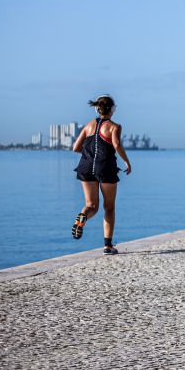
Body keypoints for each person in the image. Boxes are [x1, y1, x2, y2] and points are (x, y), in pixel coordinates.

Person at [71, 95, 132, 254]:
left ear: (98, 108)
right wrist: (127, 162)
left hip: (85, 167)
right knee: (109, 207)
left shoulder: (88, 125)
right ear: (111, 109)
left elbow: (75, 148)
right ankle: (107, 246)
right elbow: (116, 145)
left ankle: (82, 216)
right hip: (105, 168)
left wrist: (90, 156)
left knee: (91, 206)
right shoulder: (114, 127)